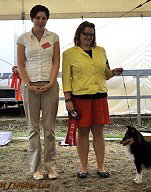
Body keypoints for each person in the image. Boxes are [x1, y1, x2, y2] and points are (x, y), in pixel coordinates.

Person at [62, 21, 123, 178]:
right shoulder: (69, 54)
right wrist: (68, 100)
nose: (88, 37)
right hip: (80, 98)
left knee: (99, 132)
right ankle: (83, 168)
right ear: (79, 35)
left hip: (100, 96)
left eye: (91, 34)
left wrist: (113, 72)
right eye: (85, 34)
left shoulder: (101, 51)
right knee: (82, 132)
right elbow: (66, 79)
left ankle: (101, 167)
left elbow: (105, 73)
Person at [17, 5, 60, 180]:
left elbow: (56, 62)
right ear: (32, 18)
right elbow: (20, 64)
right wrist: (28, 84)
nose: (41, 21)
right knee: (33, 130)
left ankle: (51, 167)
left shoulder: (54, 37)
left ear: (47, 19)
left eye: (44, 18)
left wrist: (51, 82)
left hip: (50, 86)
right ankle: (36, 168)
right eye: (38, 17)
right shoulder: (23, 38)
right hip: (30, 87)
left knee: (49, 129)